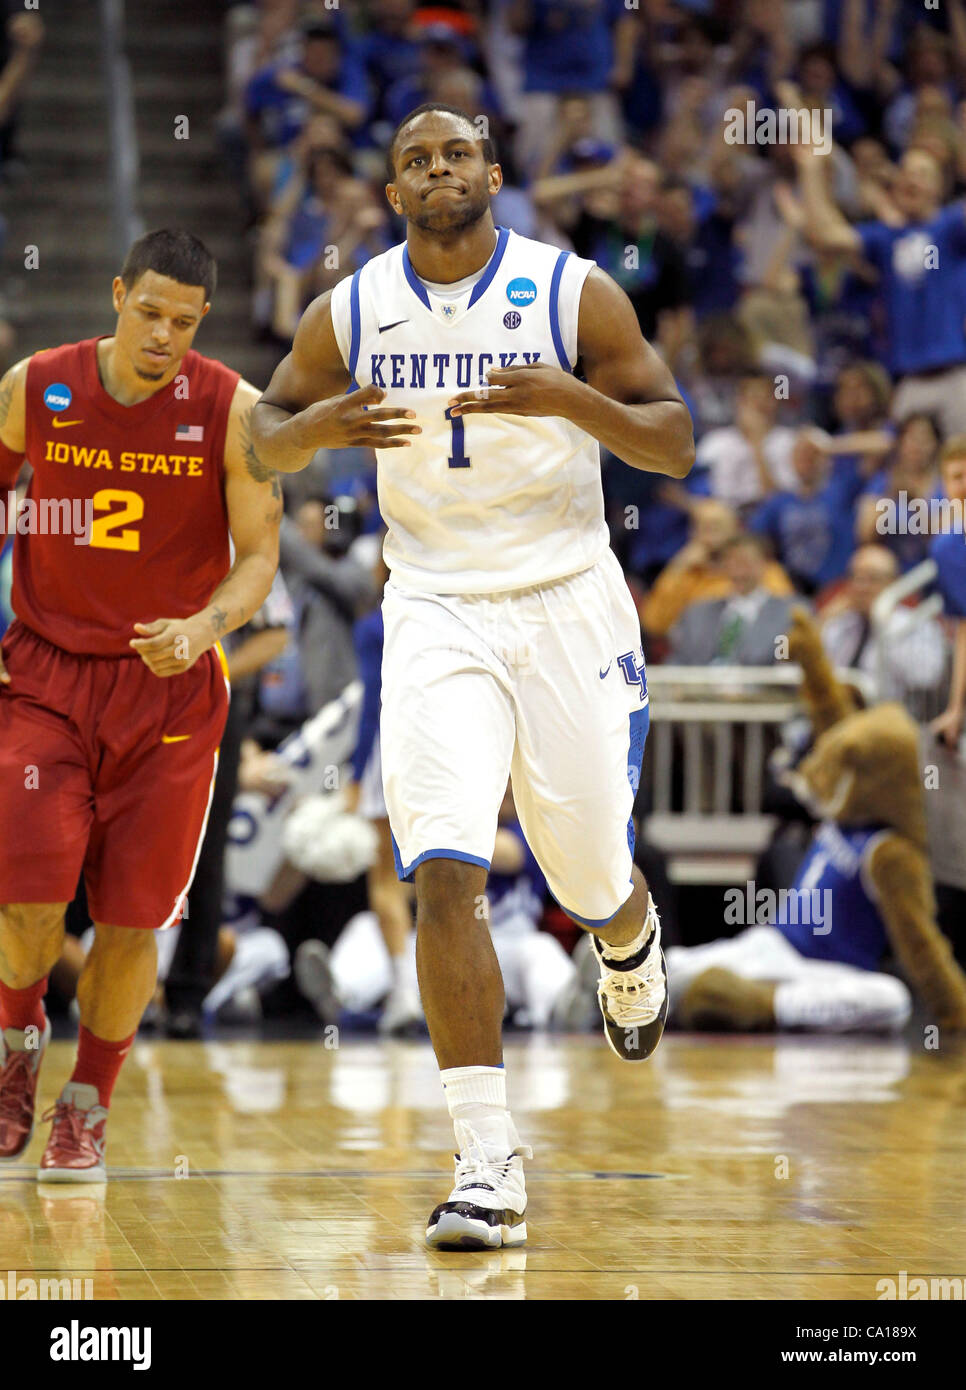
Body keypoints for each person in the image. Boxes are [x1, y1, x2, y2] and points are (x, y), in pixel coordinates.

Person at [250, 102, 694, 1250]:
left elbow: (672, 437)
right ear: (392, 193)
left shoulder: (571, 289)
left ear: (493, 172)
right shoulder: (349, 308)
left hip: (566, 600)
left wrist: (571, 402)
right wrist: (316, 434)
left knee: (589, 868)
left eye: (456, 152)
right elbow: (262, 436)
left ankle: (628, 937)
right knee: (445, 870)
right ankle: (487, 1166)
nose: (437, 168)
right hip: (435, 605)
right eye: (414, 158)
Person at [0, 229, 281, 1180]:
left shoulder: (234, 410)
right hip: (44, 674)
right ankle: (16, 1043)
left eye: (185, 323)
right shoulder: (37, 384)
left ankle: (87, 1103)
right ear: (118, 295)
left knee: (131, 918)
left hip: (167, 690)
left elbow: (259, 562)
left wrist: (207, 625)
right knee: (27, 890)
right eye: (150, 313)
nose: (164, 336)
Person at [668, 534, 795, 667]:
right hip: (703, 685)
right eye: (731, 562)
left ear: (764, 565)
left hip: (758, 686)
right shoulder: (697, 613)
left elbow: (784, 666)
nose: (738, 571)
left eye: (746, 563)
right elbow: (678, 662)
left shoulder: (789, 615)